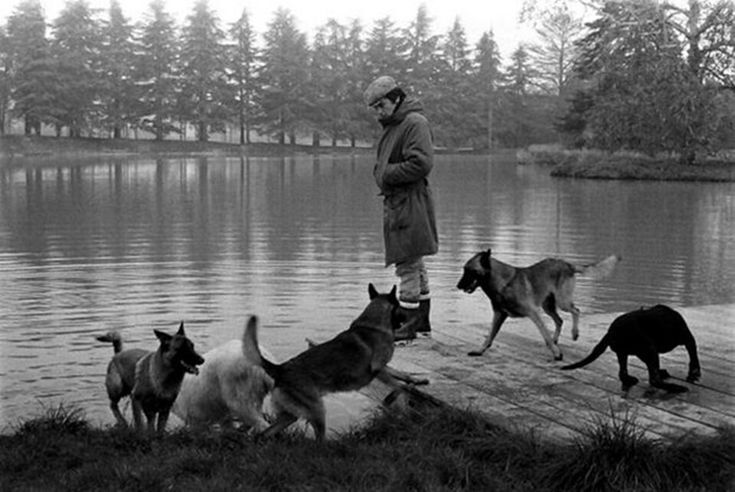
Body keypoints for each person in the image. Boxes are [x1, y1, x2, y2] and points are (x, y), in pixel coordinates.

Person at [363, 75, 438, 340]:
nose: (377, 112)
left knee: (408, 265)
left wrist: (386, 174)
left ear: (396, 98)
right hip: (400, 204)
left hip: (410, 204)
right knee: (415, 264)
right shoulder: (395, 124)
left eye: (380, 105)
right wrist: (383, 172)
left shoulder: (414, 123)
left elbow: (421, 163)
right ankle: (422, 325)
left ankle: (407, 329)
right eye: (374, 108)